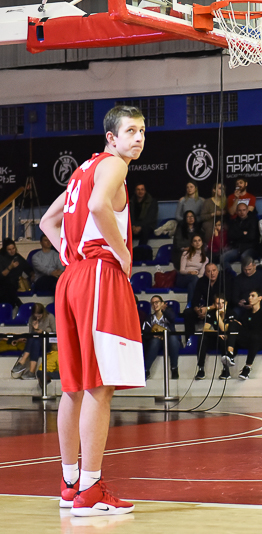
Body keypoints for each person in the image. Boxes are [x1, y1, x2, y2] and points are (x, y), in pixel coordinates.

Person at [39, 104, 146, 515]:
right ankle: (91, 488)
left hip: (71, 278)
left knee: (74, 386)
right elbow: (100, 206)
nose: (138, 138)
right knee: (99, 387)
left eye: (142, 131)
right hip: (98, 275)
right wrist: (122, 254)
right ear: (111, 138)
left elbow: (48, 222)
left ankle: (70, 485)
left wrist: (72, 253)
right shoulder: (114, 165)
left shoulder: (83, 170)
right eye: (130, 131)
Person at [222, 289, 262, 380]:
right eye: (249, 296)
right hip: (249, 338)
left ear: (260, 298)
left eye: (253, 296)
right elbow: (242, 328)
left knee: (255, 338)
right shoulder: (246, 313)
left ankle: (247, 367)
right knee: (233, 325)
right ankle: (230, 355)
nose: (250, 298)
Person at [182, 262, 233, 334]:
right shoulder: (201, 281)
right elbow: (195, 300)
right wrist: (198, 311)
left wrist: (208, 308)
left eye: (214, 270)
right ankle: (190, 338)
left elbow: (227, 299)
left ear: (218, 271)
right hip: (207, 309)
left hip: (221, 308)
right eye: (209, 271)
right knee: (187, 313)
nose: (212, 273)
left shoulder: (225, 280)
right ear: (205, 273)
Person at [10, 303, 56, 380]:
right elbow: (31, 334)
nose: (37, 318)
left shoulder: (50, 317)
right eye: (35, 316)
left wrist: (43, 332)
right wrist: (35, 329)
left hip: (48, 341)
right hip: (37, 342)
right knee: (35, 342)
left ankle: (22, 362)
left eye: (39, 316)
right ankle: (31, 372)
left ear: (43, 313)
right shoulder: (31, 319)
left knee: (34, 336)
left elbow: (55, 333)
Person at [194, 294, 236, 380]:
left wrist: (218, 315)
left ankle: (226, 370)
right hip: (215, 338)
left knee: (223, 339)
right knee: (202, 338)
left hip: (228, 340)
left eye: (223, 303)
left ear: (226, 303)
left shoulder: (231, 313)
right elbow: (205, 329)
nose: (221, 305)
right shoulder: (211, 313)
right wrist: (217, 334)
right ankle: (201, 369)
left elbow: (224, 329)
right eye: (218, 303)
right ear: (214, 304)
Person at [141, 295, 181, 380]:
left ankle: (174, 368)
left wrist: (165, 310)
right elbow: (145, 332)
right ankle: (146, 370)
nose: (155, 305)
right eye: (152, 303)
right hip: (157, 341)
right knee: (155, 341)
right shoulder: (150, 318)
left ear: (162, 303)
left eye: (157, 302)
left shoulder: (168, 314)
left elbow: (173, 318)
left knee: (173, 338)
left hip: (169, 340)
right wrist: (153, 335)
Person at [221, 203, 259, 268]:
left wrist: (238, 234)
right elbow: (230, 235)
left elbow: (251, 237)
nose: (242, 212)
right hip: (237, 248)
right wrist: (243, 233)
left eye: (244, 210)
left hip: (250, 248)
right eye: (239, 210)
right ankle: (231, 273)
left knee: (244, 257)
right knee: (222, 258)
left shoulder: (253, 220)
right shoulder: (234, 221)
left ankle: (245, 274)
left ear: (247, 210)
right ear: (236, 211)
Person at [175, 234, 209, 304]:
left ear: (202, 243)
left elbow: (201, 274)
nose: (197, 243)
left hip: (195, 279)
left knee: (191, 285)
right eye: (195, 241)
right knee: (194, 278)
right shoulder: (185, 254)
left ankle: (190, 306)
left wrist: (195, 277)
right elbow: (181, 271)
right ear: (192, 244)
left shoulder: (205, 258)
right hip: (183, 278)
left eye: (199, 240)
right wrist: (190, 272)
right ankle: (196, 303)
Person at [0, 239, 33, 306]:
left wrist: (32, 275)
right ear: (5, 250)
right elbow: (1, 275)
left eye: (13, 248)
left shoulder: (18, 257)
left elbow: (28, 269)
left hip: (14, 283)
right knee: (6, 287)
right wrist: (10, 267)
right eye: (9, 249)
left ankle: (17, 304)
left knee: (9, 289)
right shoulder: (1, 258)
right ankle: (18, 304)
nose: (12, 251)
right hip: (3, 283)